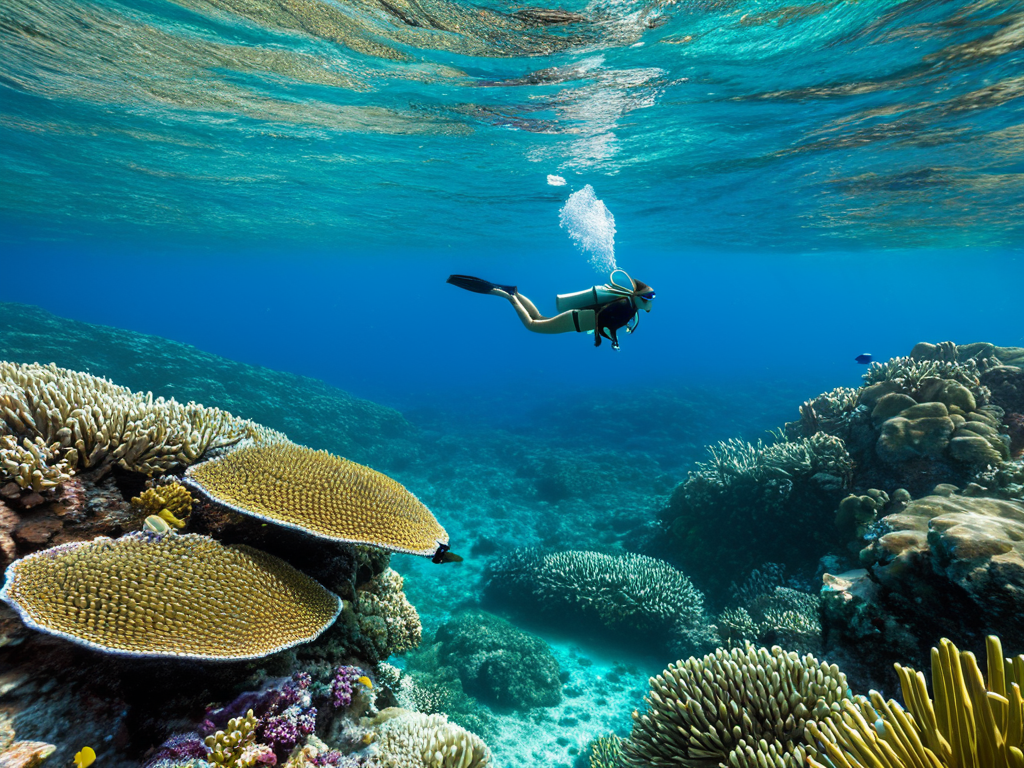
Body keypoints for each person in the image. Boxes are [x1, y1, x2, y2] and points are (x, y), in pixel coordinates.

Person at [446, 270, 655, 350]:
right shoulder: (626, 307)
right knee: (532, 326)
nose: (650, 303)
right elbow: (607, 322)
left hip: (578, 319)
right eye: (647, 298)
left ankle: (514, 292)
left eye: (651, 299)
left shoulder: (627, 304)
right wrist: (613, 341)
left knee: (538, 317)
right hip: (577, 321)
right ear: (638, 297)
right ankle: (507, 296)